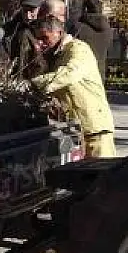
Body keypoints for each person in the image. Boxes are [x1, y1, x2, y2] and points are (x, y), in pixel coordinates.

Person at [31, 16, 116, 158]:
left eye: (45, 38)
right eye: (38, 39)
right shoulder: (56, 55)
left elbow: (68, 74)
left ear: (59, 32)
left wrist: (33, 84)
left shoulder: (78, 49)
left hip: (95, 130)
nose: (41, 43)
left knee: (103, 176)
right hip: (76, 132)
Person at [4, 0, 45, 78]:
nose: (28, 15)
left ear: (40, 10)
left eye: (32, 11)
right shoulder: (11, 28)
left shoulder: (46, 27)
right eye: (25, 11)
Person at [72, 0, 112, 79]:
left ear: (85, 9)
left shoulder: (77, 28)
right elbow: (109, 52)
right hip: (99, 75)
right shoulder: (108, 30)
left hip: (80, 76)